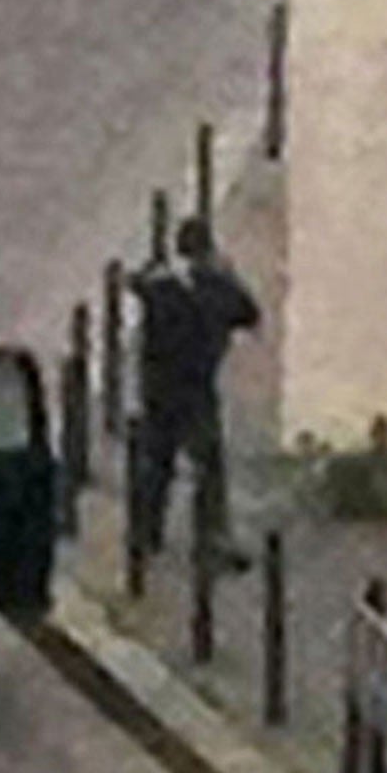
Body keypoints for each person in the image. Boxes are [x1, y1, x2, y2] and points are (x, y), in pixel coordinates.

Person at [128, 215, 261, 570]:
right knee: (208, 466)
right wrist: (228, 273)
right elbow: (249, 312)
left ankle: (145, 534)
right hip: (197, 389)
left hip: (158, 387)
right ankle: (210, 541)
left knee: (157, 462)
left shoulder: (161, 284)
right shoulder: (218, 287)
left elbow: (135, 284)